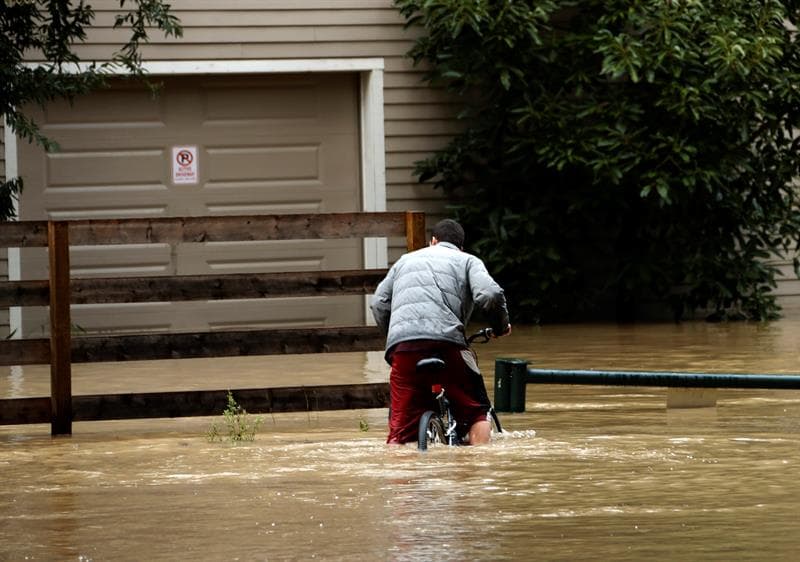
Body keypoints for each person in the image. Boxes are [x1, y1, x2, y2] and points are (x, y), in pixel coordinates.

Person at [370, 218, 511, 445]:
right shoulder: (467, 260)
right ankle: (480, 471)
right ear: (460, 247)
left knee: (400, 433)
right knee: (476, 411)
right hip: (447, 343)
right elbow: (489, 295)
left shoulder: (404, 261)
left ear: (432, 241)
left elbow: (378, 303)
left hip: (404, 348)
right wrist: (501, 327)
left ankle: (397, 475)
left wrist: (397, 339)